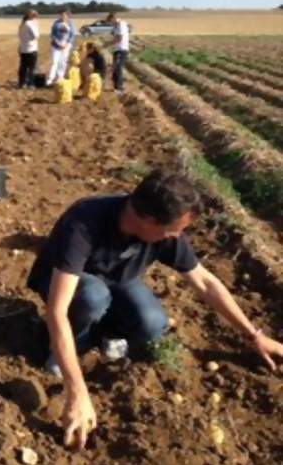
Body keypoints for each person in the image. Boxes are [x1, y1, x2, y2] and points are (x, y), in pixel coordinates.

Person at [26, 170, 283, 450]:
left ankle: (100, 334)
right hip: (66, 283)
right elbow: (57, 309)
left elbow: (206, 283)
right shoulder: (85, 221)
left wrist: (254, 334)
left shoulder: (164, 235)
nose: (177, 235)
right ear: (148, 221)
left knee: (151, 324)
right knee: (92, 297)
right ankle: (62, 347)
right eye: (174, 229)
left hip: (116, 279)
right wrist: (77, 393)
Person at [106, 12, 130, 94]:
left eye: (110, 22)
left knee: (119, 67)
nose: (110, 24)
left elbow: (119, 38)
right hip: (117, 50)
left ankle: (120, 89)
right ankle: (116, 87)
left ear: (113, 19)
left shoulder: (121, 25)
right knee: (115, 68)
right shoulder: (116, 26)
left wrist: (107, 44)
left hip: (122, 49)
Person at [46, 11, 71, 86]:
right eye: (61, 15)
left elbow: (71, 35)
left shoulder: (69, 24)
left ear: (67, 16)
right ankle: (50, 79)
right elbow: (53, 35)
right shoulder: (56, 24)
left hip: (65, 47)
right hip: (56, 46)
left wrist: (66, 44)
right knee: (54, 62)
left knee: (63, 62)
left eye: (64, 15)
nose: (63, 17)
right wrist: (58, 44)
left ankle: (60, 77)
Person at [17, 10, 39, 89]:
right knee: (32, 67)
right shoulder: (30, 24)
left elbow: (19, 36)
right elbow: (36, 36)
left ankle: (21, 83)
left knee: (23, 67)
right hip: (31, 48)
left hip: (23, 48)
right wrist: (36, 25)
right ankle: (31, 84)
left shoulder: (22, 24)